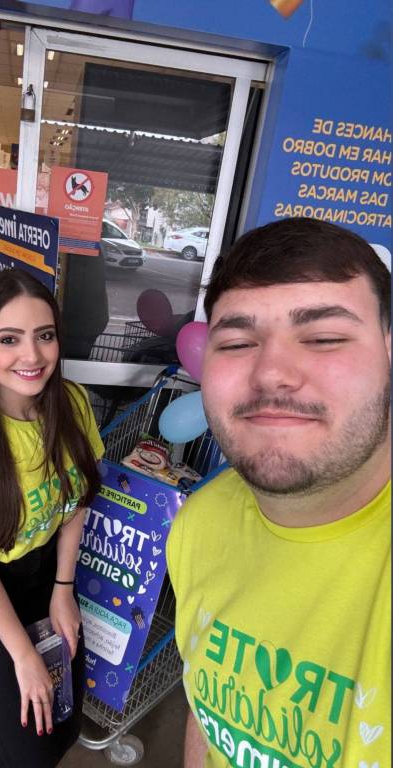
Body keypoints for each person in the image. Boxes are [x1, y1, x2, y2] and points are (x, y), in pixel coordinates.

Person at [166, 218, 390, 768]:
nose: (271, 373)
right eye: (238, 342)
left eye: (324, 338)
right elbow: (207, 715)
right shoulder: (199, 522)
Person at [0, 268, 104, 768]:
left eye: (44, 335)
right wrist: (24, 656)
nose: (32, 356)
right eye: (9, 339)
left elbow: (75, 504)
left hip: (45, 571)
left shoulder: (72, 403)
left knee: (63, 724)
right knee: (30, 752)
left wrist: (63, 589)